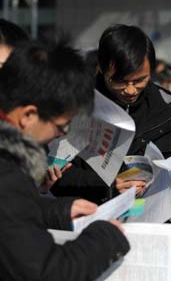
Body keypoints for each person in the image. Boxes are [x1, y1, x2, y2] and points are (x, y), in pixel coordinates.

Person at [0, 39, 129, 281]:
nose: (62, 133)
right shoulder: (7, 174)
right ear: (28, 115)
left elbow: (10, 215)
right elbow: (48, 272)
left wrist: (58, 211)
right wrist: (106, 236)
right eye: (61, 125)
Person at [51, 24, 171, 201]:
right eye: (119, 81)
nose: (130, 90)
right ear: (102, 67)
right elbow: (57, 178)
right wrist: (109, 185)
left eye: (140, 80)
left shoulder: (169, 110)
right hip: (91, 215)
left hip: (148, 218)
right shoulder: (75, 105)